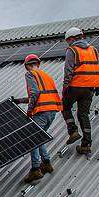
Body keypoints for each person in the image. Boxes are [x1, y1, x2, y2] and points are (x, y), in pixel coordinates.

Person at [14, 54, 62, 184]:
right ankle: (46, 163)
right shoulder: (47, 76)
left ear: (27, 66)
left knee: (33, 139)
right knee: (39, 137)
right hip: (52, 110)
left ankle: (35, 169)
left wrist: (29, 111)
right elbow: (43, 95)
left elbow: (35, 93)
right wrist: (19, 100)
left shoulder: (30, 74)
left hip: (40, 111)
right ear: (38, 63)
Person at [62, 26, 99, 155]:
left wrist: (65, 88)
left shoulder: (72, 50)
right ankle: (86, 144)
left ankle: (73, 131)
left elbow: (68, 71)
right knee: (83, 114)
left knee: (64, 106)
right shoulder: (93, 50)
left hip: (75, 86)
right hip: (90, 88)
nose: (68, 43)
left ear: (71, 38)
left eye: (68, 40)